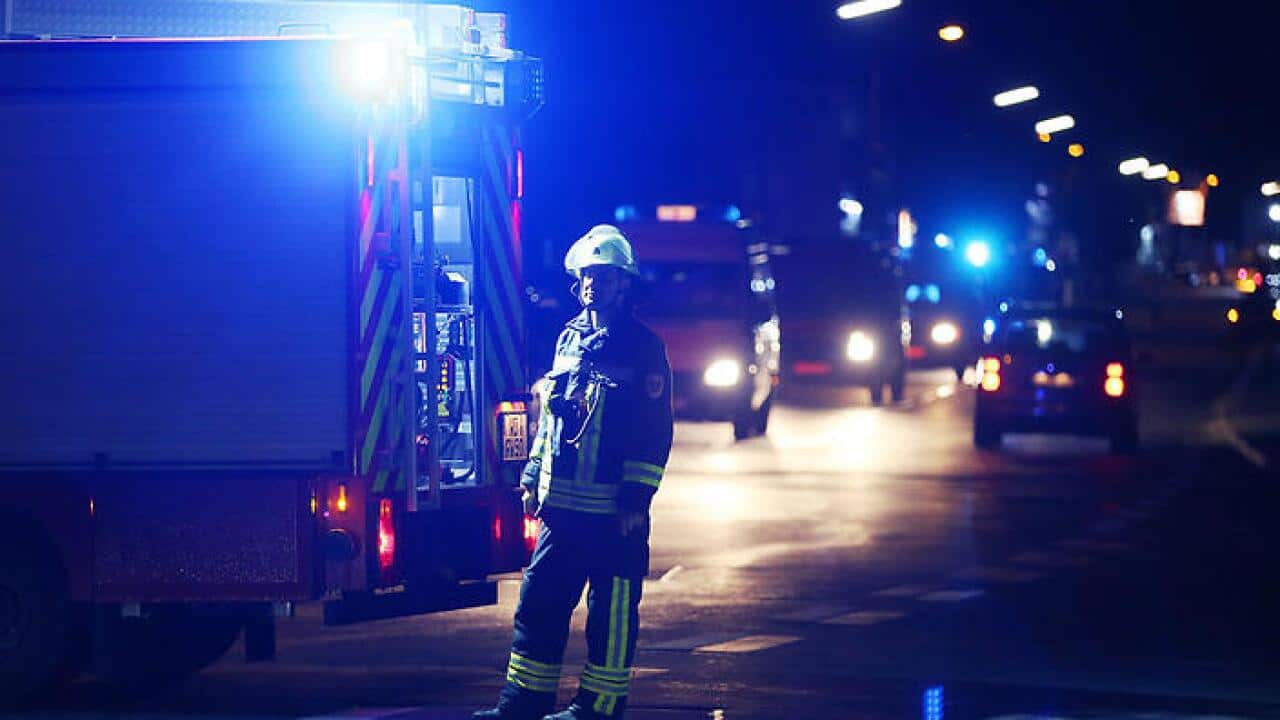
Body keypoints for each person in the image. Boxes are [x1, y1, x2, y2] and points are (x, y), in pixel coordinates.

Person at [475, 225, 674, 720]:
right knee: (538, 605)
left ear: (624, 284)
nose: (591, 284)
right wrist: (531, 477)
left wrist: (634, 500)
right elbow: (550, 420)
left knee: (610, 616)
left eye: (602, 276)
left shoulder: (642, 348)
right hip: (561, 512)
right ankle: (523, 703)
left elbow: (653, 433)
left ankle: (598, 708)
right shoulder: (569, 337)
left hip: (613, 516)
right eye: (586, 275)